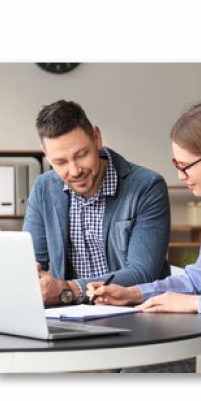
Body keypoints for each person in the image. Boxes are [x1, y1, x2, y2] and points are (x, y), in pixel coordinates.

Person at [88, 101, 201, 372]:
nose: (179, 175)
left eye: (185, 165)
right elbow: (197, 278)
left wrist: (194, 303)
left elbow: (198, 294)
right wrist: (132, 293)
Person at [23, 99, 170, 306]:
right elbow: (31, 260)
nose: (74, 171)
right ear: (46, 155)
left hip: (132, 314)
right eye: (60, 162)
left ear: (97, 138)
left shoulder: (147, 187)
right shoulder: (43, 188)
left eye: (81, 155)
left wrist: (69, 290)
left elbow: (142, 272)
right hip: (67, 315)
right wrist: (31, 274)